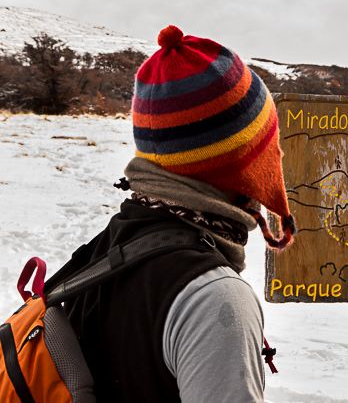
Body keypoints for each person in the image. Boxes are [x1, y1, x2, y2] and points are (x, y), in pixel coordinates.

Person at [56, 25, 295, 402]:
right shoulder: (215, 300)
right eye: (267, 143)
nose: (276, 156)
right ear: (244, 164)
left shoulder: (106, 250)